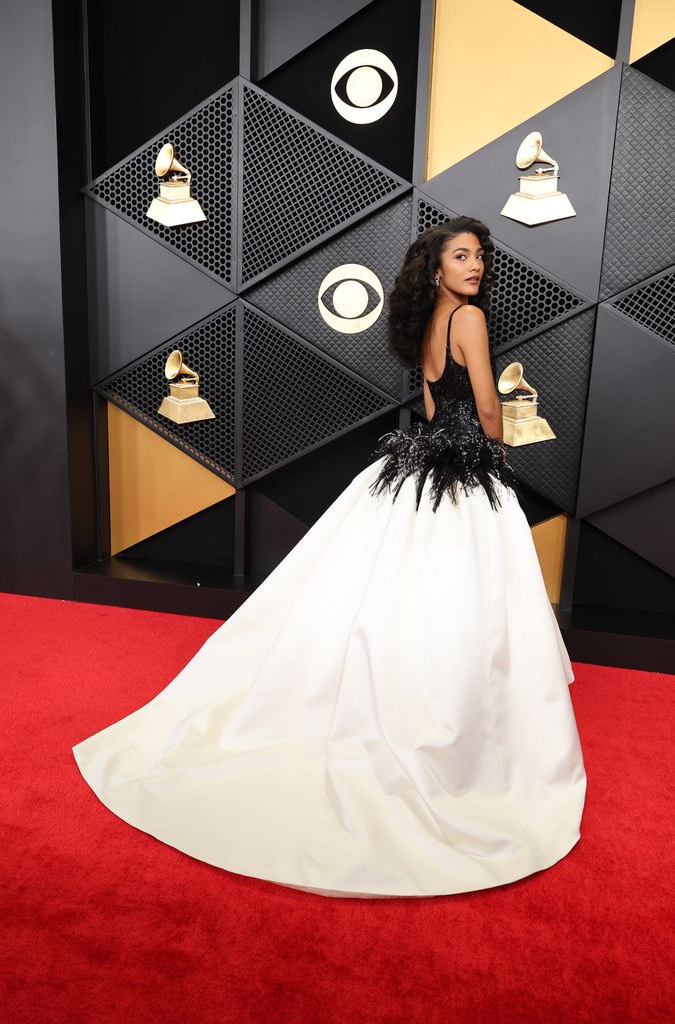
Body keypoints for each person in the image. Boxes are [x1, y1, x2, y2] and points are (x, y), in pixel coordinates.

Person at [73, 215, 587, 899]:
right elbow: (488, 409)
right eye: (463, 256)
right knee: (466, 610)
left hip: (424, 467)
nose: (476, 267)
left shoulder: (426, 324)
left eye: (480, 257)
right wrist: (495, 452)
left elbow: (433, 406)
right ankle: (455, 727)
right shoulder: (468, 319)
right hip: (466, 474)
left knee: (397, 598)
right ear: (438, 268)